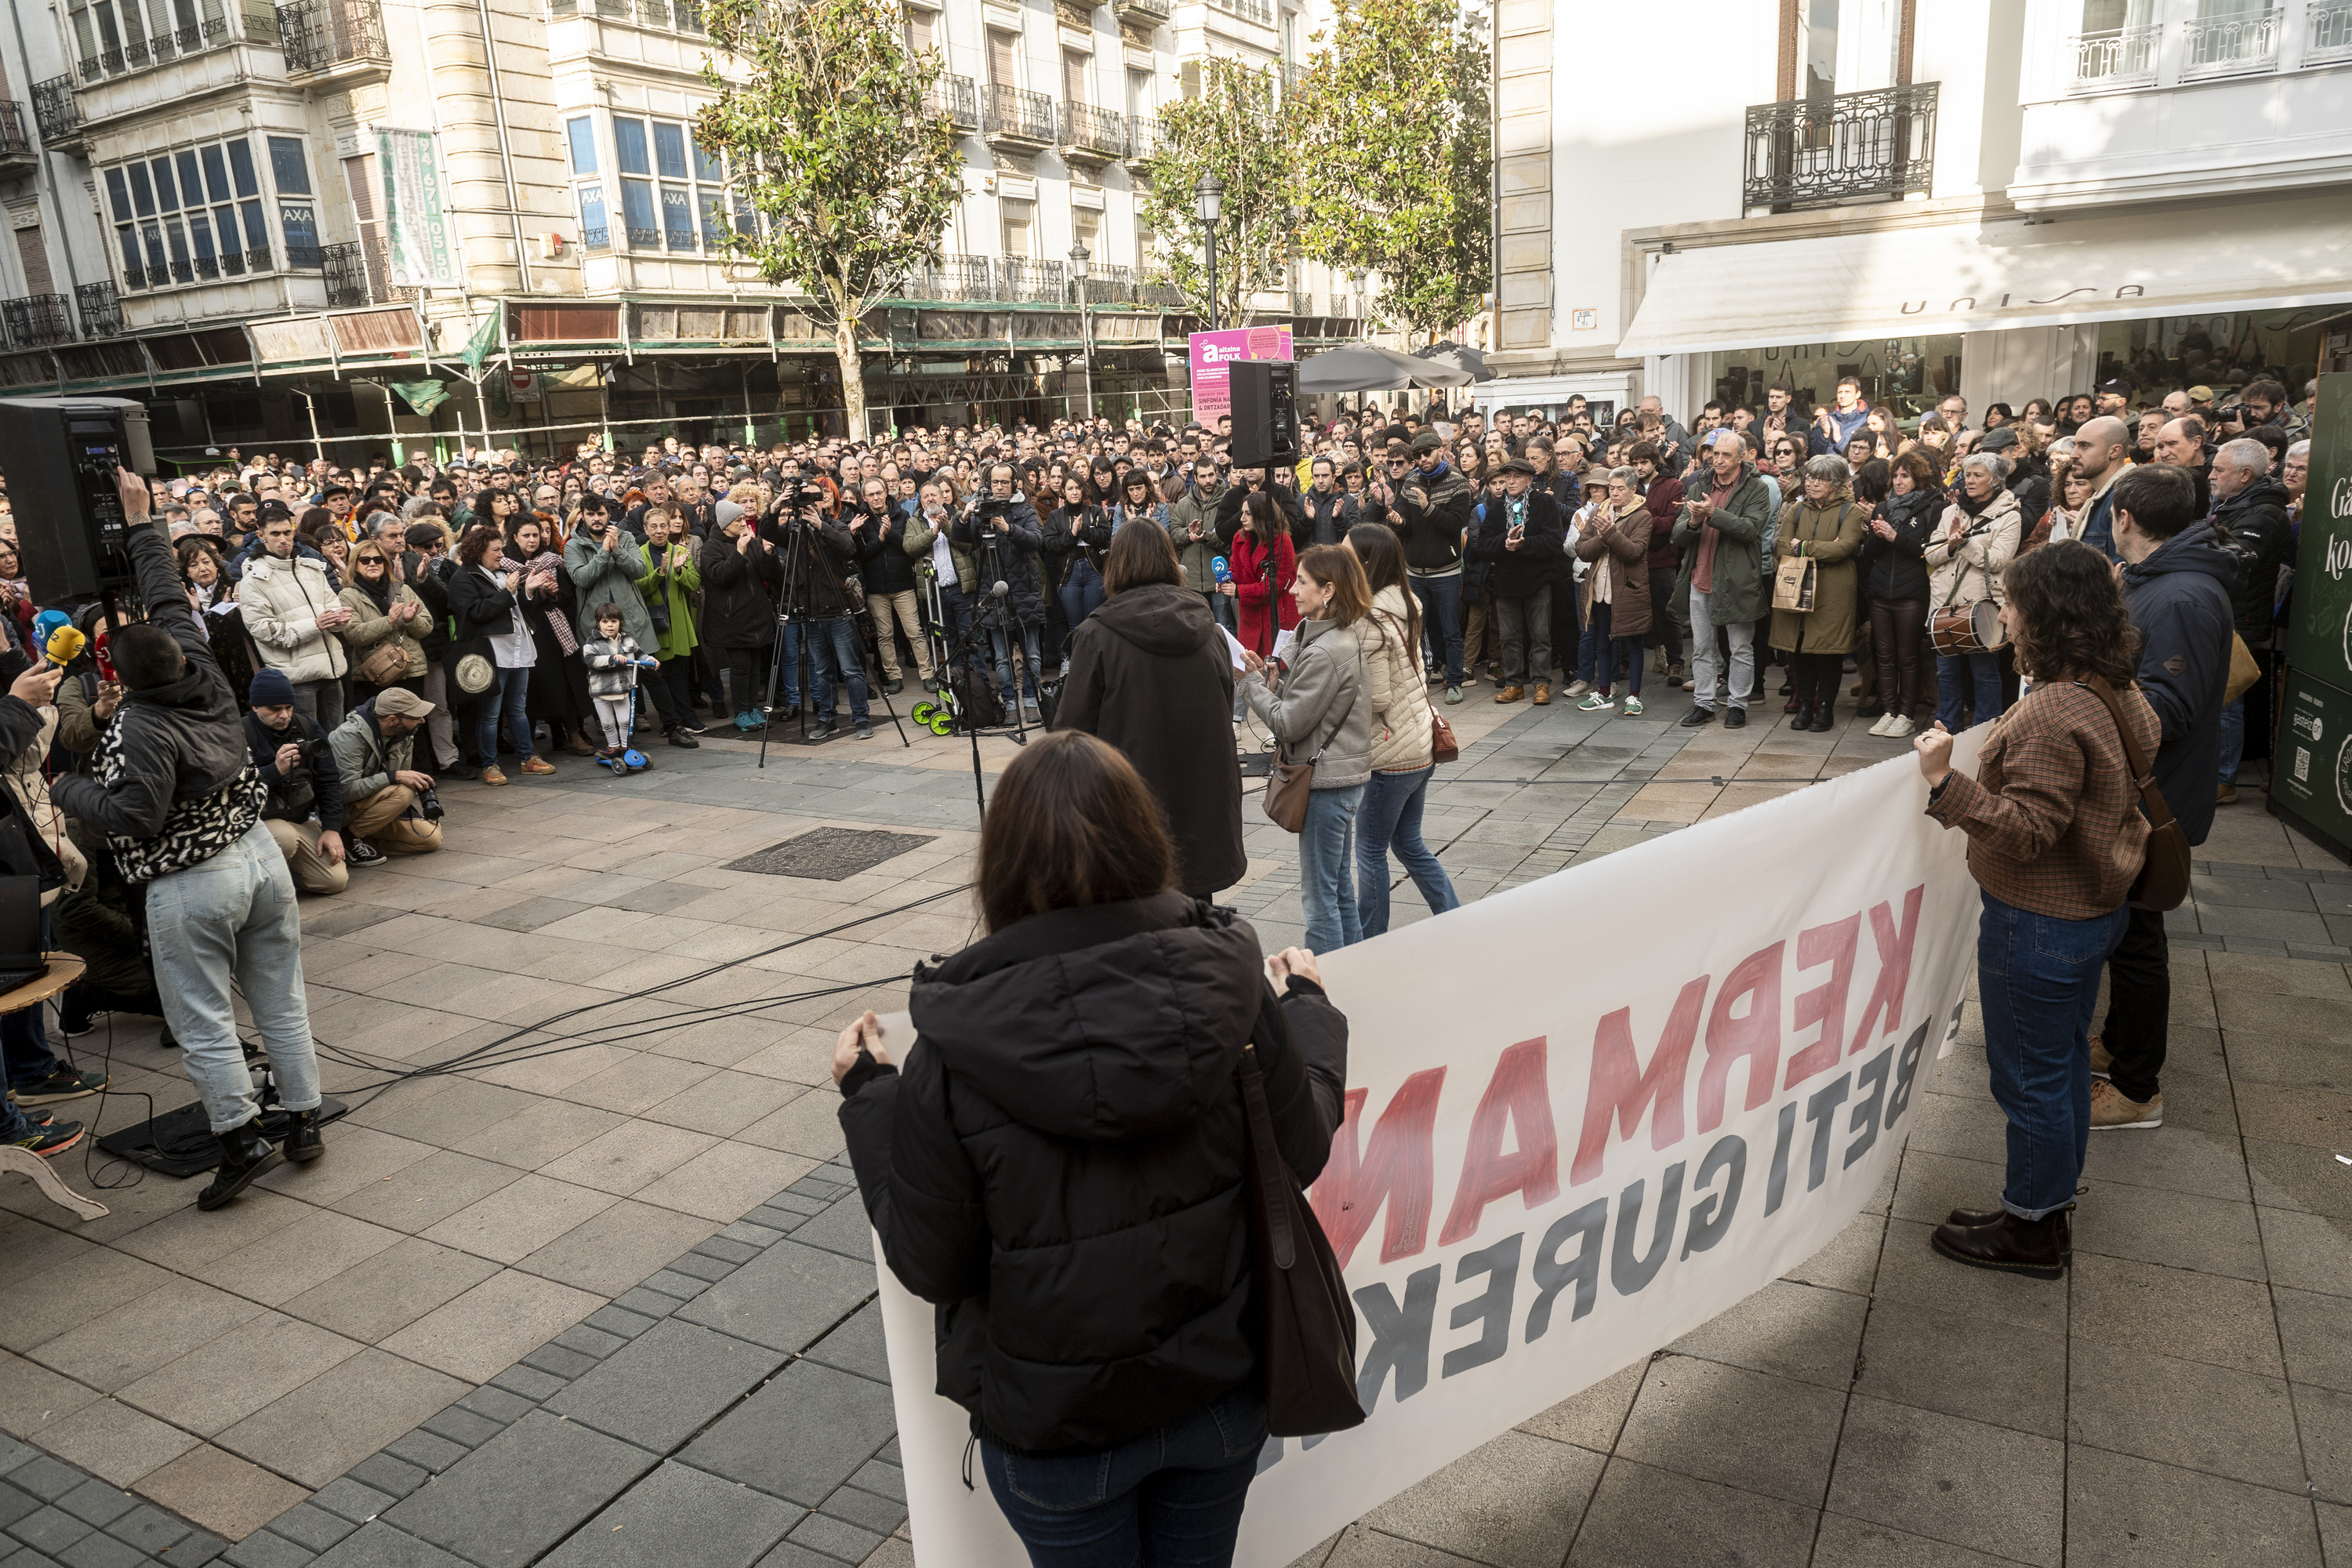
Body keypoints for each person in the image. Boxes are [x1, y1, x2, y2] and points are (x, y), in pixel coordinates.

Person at [833, 730, 1347, 1568]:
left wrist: (870, 1098)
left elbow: (931, 1261)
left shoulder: (953, 1050)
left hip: (1057, 1429)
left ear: (998, 867)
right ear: (1149, 838)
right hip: (1217, 1392)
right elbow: (1307, 1141)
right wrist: (1312, 1013)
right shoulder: (1234, 987)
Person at [49, 469, 326, 1208]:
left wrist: (65, 787)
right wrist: (144, 527)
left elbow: (135, 815)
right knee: (281, 1000)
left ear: (125, 681)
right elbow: (173, 604)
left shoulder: (140, 724)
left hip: (194, 880)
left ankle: (238, 1140)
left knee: (201, 1018)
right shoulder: (205, 673)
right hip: (260, 859)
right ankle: (303, 1122)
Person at [1915, 541, 2160, 1278]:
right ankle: (2047, 1198)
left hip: (2041, 922)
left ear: (2045, 615)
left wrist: (1943, 781)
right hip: (2091, 912)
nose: (2006, 616)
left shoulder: (2055, 711)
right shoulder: (2115, 686)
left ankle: (2030, 1230)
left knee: (2029, 1079)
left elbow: (2027, 832)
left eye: (2013, 602)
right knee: (2058, 1069)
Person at [2093, 464, 2234, 1133]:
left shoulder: (2180, 597)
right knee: (2129, 931)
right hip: (2147, 791)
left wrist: (2083, 710)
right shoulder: (2160, 582)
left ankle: (2136, 1087)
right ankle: (2121, 1046)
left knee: (2138, 939)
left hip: (2156, 799)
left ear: (2123, 517)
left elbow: (2166, 710)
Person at [1054, 524, 1245, 899]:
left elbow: (1070, 735)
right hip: (1200, 800)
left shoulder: (1097, 635)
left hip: (1130, 806)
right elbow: (1225, 704)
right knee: (1193, 919)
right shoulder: (1209, 628)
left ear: (1116, 565)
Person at [1241, 543, 1374, 953]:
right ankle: (1354, 970)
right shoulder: (1330, 637)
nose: (1292, 589)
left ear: (1328, 590)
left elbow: (1287, 722)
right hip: (1341, 780)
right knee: (1339, 893)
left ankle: (1326, 986)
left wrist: (1249, 687)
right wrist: (1270, 674)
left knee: (1319, 901)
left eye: (1302, 582)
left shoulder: (1327, 650)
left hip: (1327, 786)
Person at [1348, 523, 1458, 938]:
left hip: (1390, 750)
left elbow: (1375, 698)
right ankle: (1454, 916)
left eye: (1346, 554)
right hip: (1418, 741)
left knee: (1371, 850)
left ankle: (1369, 939)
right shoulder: (1404, 601)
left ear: (1365, 563)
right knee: (1408, 843)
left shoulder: (1371, 618)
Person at [2207, 437, 2295, 804]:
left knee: (2228, 699)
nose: (2210, 475)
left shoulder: (2266, 511)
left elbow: (2237, 558)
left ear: (2245, 475)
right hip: (2222, 609)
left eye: (2218, 470)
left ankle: (2224, 780)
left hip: (2239, 616)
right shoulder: (2230, 500)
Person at [1672, 430, 1772, 730]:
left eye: (1725, 455)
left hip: (1737, 582)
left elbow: (1750, 529)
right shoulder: (1698, 485)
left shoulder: (1757, 488)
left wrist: (1713, 513)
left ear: (1742, 456)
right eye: (1715, 453)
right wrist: (1693, 521)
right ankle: (1704, 704)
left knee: (1741, 648)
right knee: (1702, 648)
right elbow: (1677, 536)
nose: (1718, 459)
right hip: (1699, 578)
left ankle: (1738, 705)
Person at [1925, 452, 2023, 734]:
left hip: (1982, 608)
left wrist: (1965, 543)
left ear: (1996, 481)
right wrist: (1952, 546)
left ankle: (1985, 735)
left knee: (1985, 674)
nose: (1970, 480)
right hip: (1945, 606)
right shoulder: (1950, 511)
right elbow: (1931, 555)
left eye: (1978, 475)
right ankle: (1945, 732)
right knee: (1947, 674)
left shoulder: (2010, 516)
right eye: (1968, 474)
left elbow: (1998, 560)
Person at [448, 524, 554, 784]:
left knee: (518, 708)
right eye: (495, 550)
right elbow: (477, 612)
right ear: (479, 551)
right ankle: (490, 764)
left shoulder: (501, 573)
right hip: (494, 652)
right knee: (491, 713)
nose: (500, 554)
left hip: (518, 648)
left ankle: (528, 758)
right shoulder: (464, 577)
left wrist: (529, 590)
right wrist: (508, 592)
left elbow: (520, 610)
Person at [236, 507, 354, 729]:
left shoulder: (312, 569)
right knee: (308, 743)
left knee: (337, 739)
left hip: (332, 670)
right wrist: (315, 625)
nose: (283, 540)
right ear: (261, 536)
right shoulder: (253, 580)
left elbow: (333, 609)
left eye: (287, 532)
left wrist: (340, 620)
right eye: (275, 534)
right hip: (297, 679)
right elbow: (263, 630)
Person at [1378, 431, 1472, 704]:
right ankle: (1418, 680)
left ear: (1441, 451)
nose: (1422, 459)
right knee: (1415, 631)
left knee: (1450, 630)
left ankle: (1454, 681)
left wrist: (1428, 508)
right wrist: (1398, 521)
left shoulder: (1458, 482)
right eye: (1417, 456)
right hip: (1414, 570)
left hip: (1446, 570)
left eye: (1427, 453)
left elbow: (1456, 524)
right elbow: (1408, 528)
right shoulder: (1410, 482)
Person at [1470, 456, 1566, 705]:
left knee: (1541, 636)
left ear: (1530, 479)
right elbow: (1482, 545)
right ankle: (1514, 684)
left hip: (1538, 580)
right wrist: (1505, 542)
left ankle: (1541, 683)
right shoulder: (1495, 508)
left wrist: (1525, 544)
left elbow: (1555, 542)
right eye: (1506, 478)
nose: (1509, 482)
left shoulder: (1545, 503)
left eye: (1516, 477)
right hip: (1506, 582)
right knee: (1509, 638)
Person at [246, 668, 354, 888]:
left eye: (289, 707)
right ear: (255, 706)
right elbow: (233, 793)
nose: (284, 715)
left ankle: (289, 872)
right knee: (284, 838)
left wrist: (331, 829)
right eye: (275, 709)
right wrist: (275, 770)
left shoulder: (307, 727)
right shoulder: (240, 734)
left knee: (334, 882)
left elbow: (329, 780)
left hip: (302, 819)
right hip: (262, 824)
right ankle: (265, 885)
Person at [1860, 451, 1941, 738]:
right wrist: (1878, 536)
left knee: (1907, 656)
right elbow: (1868, 554)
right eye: (1895, 476)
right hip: (1881, 590)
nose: (1898, 481)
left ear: (1918, 477)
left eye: (1905, 476)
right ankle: (1888, 710)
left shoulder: (1934, 507)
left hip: (1912, 592)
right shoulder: (1883, 506)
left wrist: (1895, 537)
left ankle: (1906, 713)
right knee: (1883, 655)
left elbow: (1930, 552)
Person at [325, 688, 443, 857]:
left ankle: (362, 844)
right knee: (403, 791)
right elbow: (344, 790)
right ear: (393, 720)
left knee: (430, 840)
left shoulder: (404, 734)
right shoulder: (349, 736)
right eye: (416, 717)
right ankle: (349, 837)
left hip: (374, 804)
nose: (422, 721)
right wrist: (392, 776)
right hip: (342, 810)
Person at [1575, 466, 1653, 715]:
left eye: (1621, 488)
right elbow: (1582, 550)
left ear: (1633, 490)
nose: (1615, 493)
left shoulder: (1643, 516)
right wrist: (1603, 535)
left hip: (1629, 590)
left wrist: (1609, 531)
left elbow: (1633, 552)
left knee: (1633, 642)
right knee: (1602, 643)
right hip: (1599, 588)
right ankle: (1604, 692)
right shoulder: (1600, 511)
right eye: (1612, 488)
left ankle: (1634, 696)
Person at [702, 500, 783, 731]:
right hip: (731, 619)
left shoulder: (751, 541)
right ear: (726, 523)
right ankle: (741, 712)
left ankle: (751, 709)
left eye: (743, 519)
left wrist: (768, 554)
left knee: (755, 665)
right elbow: (720, 577)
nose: (743, 523)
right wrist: (739, 552)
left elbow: (769, 575)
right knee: (740, 666)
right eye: (738, 520)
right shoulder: (712, 547)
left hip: (756, 616)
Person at [1229, 489, 1298, 665]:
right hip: (1250, 619)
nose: (1242, 518)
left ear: (1262, 515)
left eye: (1248, 514)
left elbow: (1276, 585)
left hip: (1275, 619)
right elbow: (1235, 569)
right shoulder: (1239, 538)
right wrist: (1226, 580)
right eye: (1242, 513)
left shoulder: (1283, 541)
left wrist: (1238, 591)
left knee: (1277, 676)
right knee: (1250, 673)